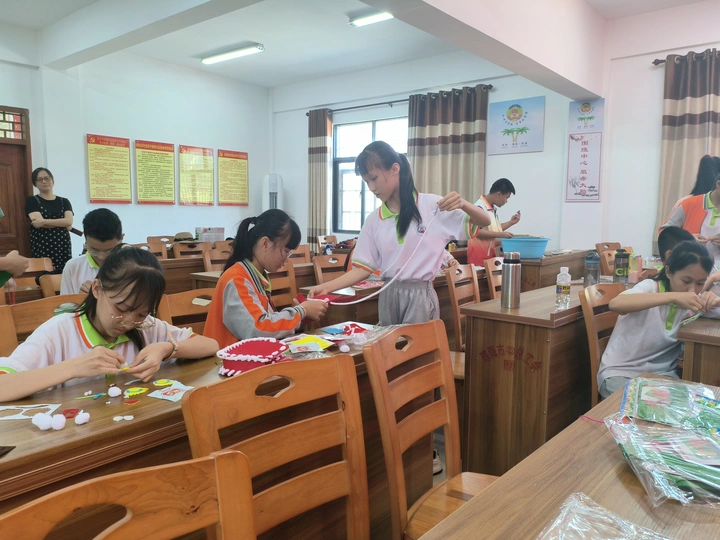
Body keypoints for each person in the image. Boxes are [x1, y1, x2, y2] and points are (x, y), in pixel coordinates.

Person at [0, 247, 219, 402]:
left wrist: (165, 348)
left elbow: (211, 346)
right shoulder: (58, 332)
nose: (129, 321)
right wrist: (74, 367)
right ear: (97, 289)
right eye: (121, 308)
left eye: (141, 313)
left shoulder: (146, 327)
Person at [309, 140, 491, 326]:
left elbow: (485, 221)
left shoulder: (433, 207)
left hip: (420, 296)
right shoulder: (374, 220)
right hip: (388, 295)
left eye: (374, 178)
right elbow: (363, 269)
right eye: (366, 182)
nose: (371, 187)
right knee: (389, 345)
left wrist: (463, 204)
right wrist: (326, 287)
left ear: (395, 169)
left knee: (417, 344)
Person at [597, 241, 720, 399]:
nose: (692, 289)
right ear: (668, 272)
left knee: (688, 406)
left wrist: (715, 301)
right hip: (620, 372)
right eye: (686, 281)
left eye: (700, 283)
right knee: (635, 407)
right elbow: (616, 304)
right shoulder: (650, 287)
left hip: (663, 375)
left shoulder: (694, 303)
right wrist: (673, 297)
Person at [204, 209, 328, 348]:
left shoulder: (256, 275)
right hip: (226, 359)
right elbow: (258, 329)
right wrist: (301, 311)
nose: (287, 259)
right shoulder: (237, 279)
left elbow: (266, 324)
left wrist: (300, 316)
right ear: (265, 244)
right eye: (286, 252)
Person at [662, 174, 720, 268]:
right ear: (718, 184)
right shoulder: (690, 204)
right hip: (688, 267)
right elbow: (665, 232)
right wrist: (687, 238)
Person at [61, 209, 124, 294]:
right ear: (86, 239)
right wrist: (82, 299)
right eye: (94, 250)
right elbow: (66, 302)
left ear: (121, 239)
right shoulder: (73, 267)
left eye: (109, 251)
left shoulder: (132, 268)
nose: (101, 257)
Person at [25, 167, 74, 272]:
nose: (44, 181)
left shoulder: (64, 201)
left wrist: (44, 222)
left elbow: (69, 221)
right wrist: (62, 223)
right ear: (35, 184)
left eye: (47, 178)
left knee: (65, 272)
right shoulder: (32, 201)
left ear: (52, 180)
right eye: (39, 179)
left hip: (62, 244)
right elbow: (37, 223)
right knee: (45, 273)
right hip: (42, 243)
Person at [467, 178, 521, 267]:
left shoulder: (492, 209)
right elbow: (476, 232)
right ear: (498, 194)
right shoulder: (479, 208)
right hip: (479, 260)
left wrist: (511, 222)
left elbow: (494, 230)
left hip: (491, 259)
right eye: (506, 197)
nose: (506, 201)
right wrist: (500, 235)